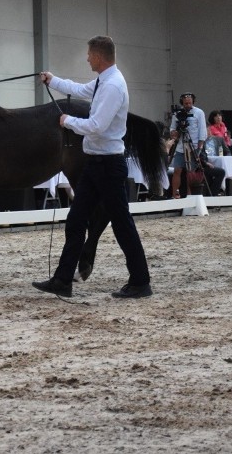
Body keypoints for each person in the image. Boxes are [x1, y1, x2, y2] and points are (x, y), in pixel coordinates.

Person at [33, 35, 152, 299]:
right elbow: (79, 89)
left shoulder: (113, 86)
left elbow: (97, 125)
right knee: (76, 220)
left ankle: (141, 281)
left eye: (89, 54)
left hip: (108, 166)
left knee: (122, 225)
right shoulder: (103, 81)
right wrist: (53, 80)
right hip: (96, 164)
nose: (87, 58)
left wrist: (67, 121)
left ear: (99, 56)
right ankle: (63, 279)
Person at [169, 93, 207, 199]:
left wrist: (200, 145)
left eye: (190, 103)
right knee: (177, 170)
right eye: (186, 103)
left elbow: (202, 129)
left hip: (193, 145)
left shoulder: (199, 112)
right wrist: (174, 133)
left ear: (193, 102)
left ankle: (190, 195)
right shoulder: (177, 114)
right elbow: (172, 128)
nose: (188, 105)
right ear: (182, 103)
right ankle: (174, 194)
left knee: (190, 171)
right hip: (181, 146)